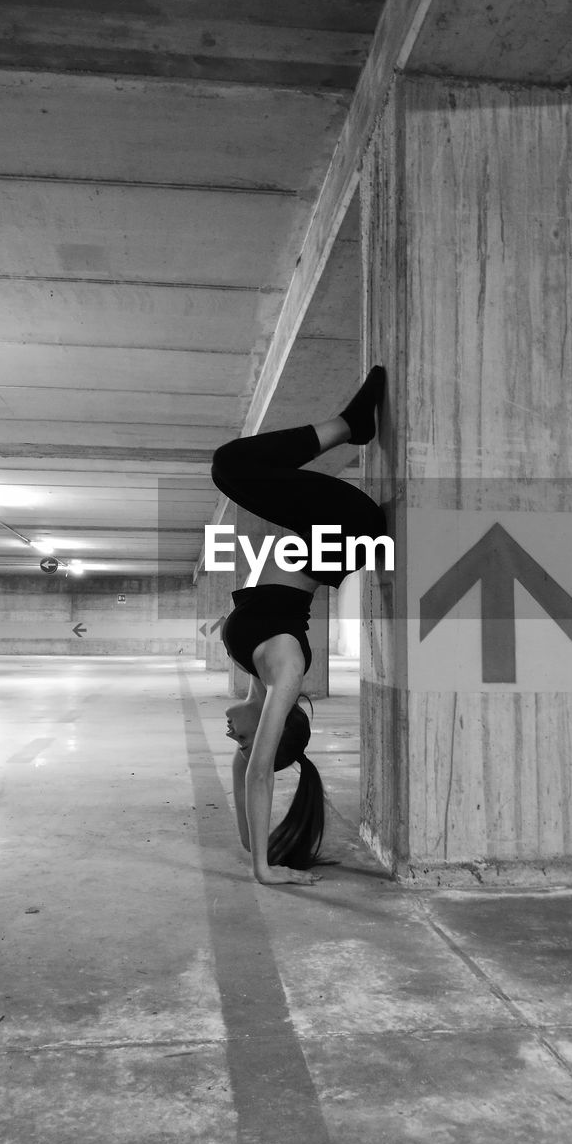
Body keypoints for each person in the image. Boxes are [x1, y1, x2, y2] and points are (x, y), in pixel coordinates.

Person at [211, 366, 387, 886]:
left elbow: (247, 768)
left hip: (321, 534)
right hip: (348, 529)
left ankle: (348, 427)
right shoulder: (283, 671)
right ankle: (348, 426)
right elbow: (260, 768)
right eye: (242, 741)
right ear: (274, 729)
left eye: (236, 743)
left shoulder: (258, 681)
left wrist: (251, 843)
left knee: (234, 466)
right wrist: (265, 871)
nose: (232, 738)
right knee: (231, 466)